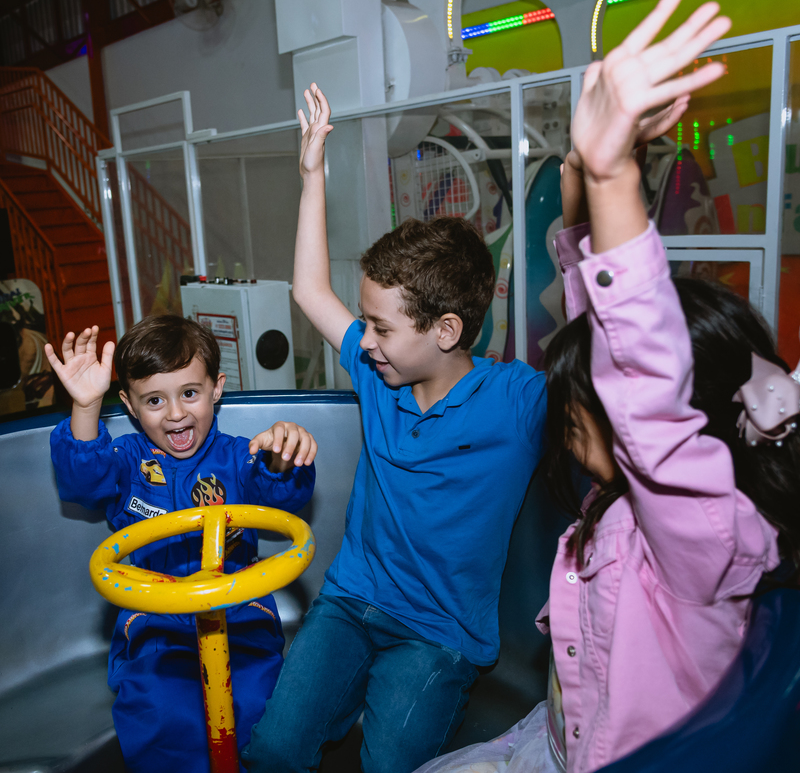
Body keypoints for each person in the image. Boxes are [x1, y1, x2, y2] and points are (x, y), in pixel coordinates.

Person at [414, 0, 800, 773]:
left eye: (606, 389)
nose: (579, 400)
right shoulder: (638, 492)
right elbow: (606, 330)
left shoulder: (697, 532)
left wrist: (619, 173)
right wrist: (587, 175)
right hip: (562, 737)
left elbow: (642, 386)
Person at [241, 84, 549, 773]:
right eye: (367, 321)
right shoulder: (382, 373)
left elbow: (606, 381)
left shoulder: (515, 399)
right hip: (351, 602)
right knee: (274, 749)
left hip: (437, 637)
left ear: (446, 330)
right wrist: (311, 174)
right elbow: (309, 293)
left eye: (382, 326)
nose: (367, 339)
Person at [46, 316, 318, 773]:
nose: (175, 414)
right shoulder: (127, 460)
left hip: (240, 621)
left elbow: (284, 497)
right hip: (157, 627)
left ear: (217, 389)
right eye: (154, 400)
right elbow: (83, 484)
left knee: (262, 707)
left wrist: (282, 456)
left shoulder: (240, 455)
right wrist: (86, 408)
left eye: (189, 393)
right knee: (159, 713)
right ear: (130, 406)